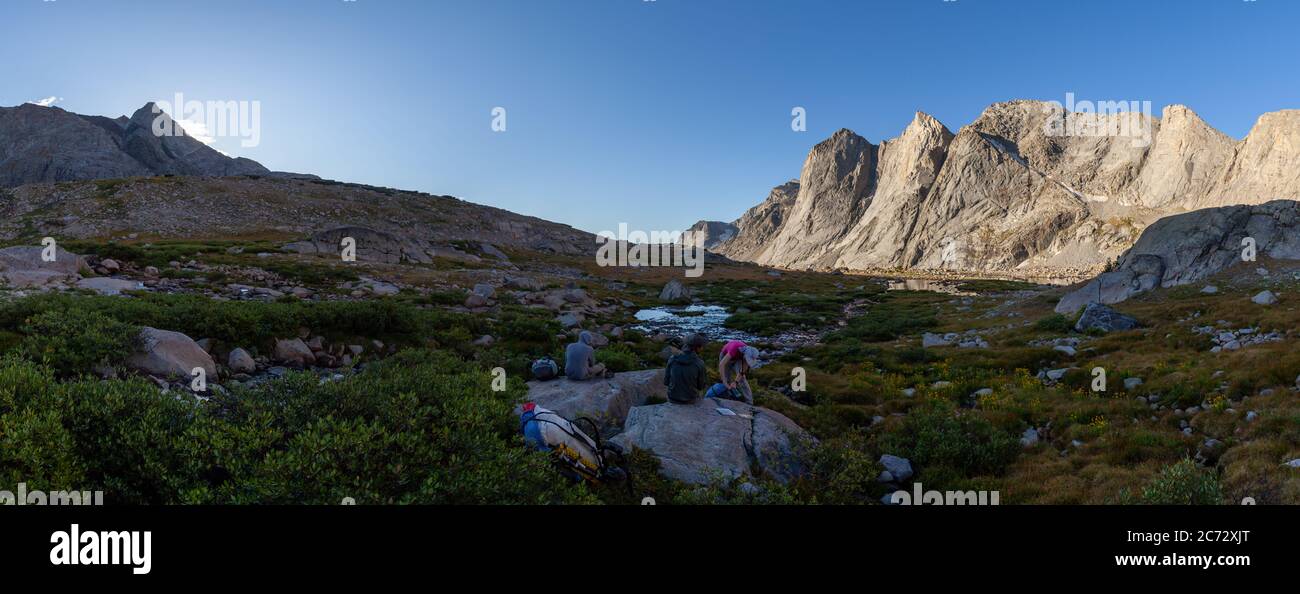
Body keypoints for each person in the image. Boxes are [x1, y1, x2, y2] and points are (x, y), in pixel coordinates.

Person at [664, 333, 708, 404]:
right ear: (697, 348)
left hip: (672, 398)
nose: (703, 348)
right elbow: (701, 386)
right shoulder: (700, 363)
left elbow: (666, 381)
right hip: (690, 399)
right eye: (702, 347)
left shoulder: (672, 359)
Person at [717, 339, 759, 404]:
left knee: (742, 379)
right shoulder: (735, 348)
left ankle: (749, 402)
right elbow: (721, 365)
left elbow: (742, 372)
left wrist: (735, 382)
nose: (748, 361)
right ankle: (727, 399)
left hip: (738, 358)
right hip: (725, 355)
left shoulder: (748, 354)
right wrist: (724, 382)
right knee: (727, 379)